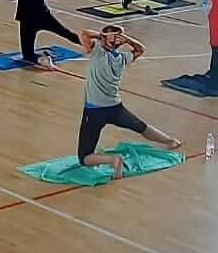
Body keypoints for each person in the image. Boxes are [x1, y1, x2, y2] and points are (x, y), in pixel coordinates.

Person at [77, 25, 182, 178]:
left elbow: (84, 33)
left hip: (94, 111)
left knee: (84, 158)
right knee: (141, 127)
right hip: (115, 108)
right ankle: (171, 141)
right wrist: (127, 40)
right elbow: (140, 49)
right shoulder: (122, 58)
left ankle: (113, 160)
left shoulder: (97, 52)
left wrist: (102, 36)